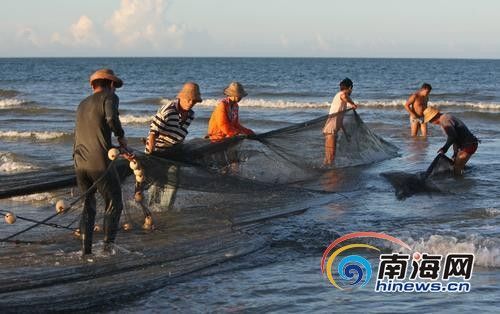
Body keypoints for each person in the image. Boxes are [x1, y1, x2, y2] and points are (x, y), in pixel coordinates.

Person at [73, 68, 129, 256]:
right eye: (115, 87)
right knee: (114, 203)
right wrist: (121, 137)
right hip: (99, 162)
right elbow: (111, 118)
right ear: (111, 84)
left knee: (88, 206)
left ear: (93, 85)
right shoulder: (110, 97)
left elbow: (87, 133)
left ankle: (85, 252)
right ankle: (107, 249)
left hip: (79, 162)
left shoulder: (82, 104)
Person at [144, 82, 202, 209]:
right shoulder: (168, 110)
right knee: (157, 181)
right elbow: (153, 134)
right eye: (189, 99)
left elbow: (178, 134)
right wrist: (150, 154)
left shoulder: (190, 115)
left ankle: (164, 209)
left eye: (194, 100)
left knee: (173, 180)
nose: (191, 102)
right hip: (157, 151)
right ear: (180, 97)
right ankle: (151, 207)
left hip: (174, 151)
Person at [423, 107, 479, 175]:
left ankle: (459, 183)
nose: (431, 123)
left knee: (457, 168)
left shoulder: (444, 119)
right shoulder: (445, 118)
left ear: (434, 117)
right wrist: (455, 153)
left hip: (468, 145)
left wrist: (445, 148)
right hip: (468, 144)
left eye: (430, 121)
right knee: (457, 165)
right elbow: (455, 139)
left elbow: (452, 137)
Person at [323, 78, 359, 165]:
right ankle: (331, 175)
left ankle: (325, 172)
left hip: (331, 129)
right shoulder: (342, 94)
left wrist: (346, 133)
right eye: (352, 89)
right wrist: (352, 104)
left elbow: (340, 120)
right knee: (331, 156)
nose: (351, 91)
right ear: (350, 87)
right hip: (331, 129)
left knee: (329, 156)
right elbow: (344, 96)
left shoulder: (339, 98)